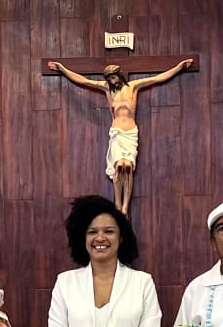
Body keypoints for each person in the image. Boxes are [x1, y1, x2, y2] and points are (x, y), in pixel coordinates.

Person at [46, 195, 162, 327]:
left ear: (121, 237)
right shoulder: (65, 283)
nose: (100, 238)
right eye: (92, 232)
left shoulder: (142, 283)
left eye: (108, 231)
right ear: (83, 238)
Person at [47, 58, 194, 214]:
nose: (112, 81)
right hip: (117, 132)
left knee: (128, 167)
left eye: (113, 77)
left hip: (130, 133)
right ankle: (118, 204)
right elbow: (84, 81)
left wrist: (179, 67)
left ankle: (125, 207)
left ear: (119, 75)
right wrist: (63, 69)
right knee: (119, 166)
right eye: (109, 79)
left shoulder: (133, 87)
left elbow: (158, 78)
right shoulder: (107, 89)